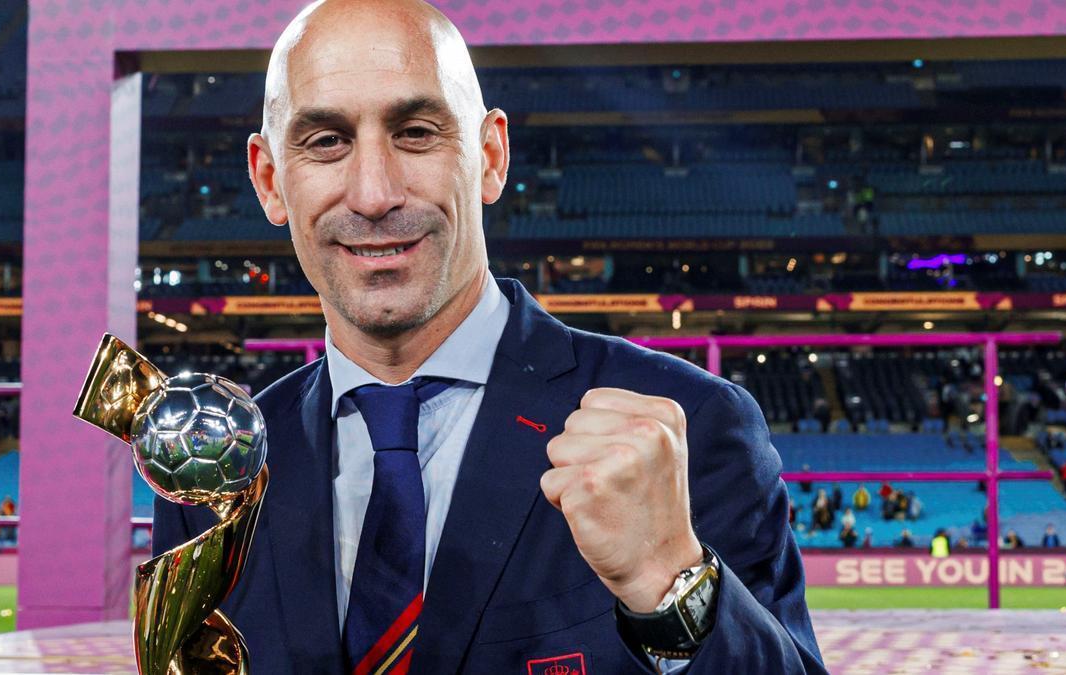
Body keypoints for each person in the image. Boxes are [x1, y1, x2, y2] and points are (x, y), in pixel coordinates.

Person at [152, 2, 824, 672]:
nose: (373, 193)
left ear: (491, 157)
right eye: (326, 141)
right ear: (270, 180)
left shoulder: (686, 427)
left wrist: (670, 584)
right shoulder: (213, 475)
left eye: (415, 132)